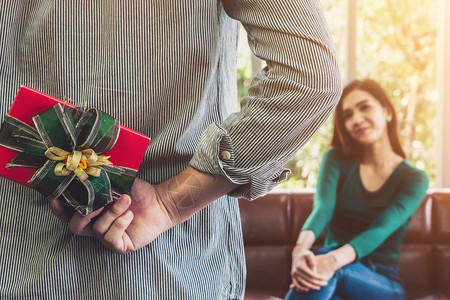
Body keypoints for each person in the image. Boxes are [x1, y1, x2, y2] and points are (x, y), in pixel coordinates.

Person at [0, 1, 342, 299]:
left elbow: (309, 80)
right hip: (169, 274)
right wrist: (169, 204)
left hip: (18, 265)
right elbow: (310, 77)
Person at [285, 79, 429, 300]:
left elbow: (380, 229)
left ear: (387, 112)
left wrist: (332, 261)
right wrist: (299, 251)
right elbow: (323, 207)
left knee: (327, 266)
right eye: (348, 115)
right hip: (330, 270)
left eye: (365, 107)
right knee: (323, 275)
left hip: (381, 281)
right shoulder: (336, 159)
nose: (356, 119)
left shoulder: (414, 179)